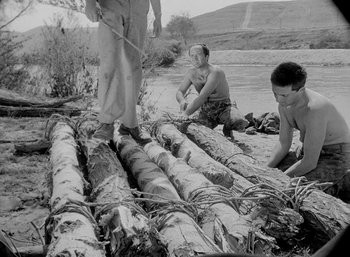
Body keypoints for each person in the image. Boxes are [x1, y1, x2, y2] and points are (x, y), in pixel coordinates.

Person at [266, 62, 350, 202]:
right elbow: (283, 143)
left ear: (301, 90)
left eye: (284, 95)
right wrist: (265, 171)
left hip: (337, 155)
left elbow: (310, 162)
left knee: (294, 189)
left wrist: (278, 183)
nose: (278, 99)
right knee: (275, 170)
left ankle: (341, 184)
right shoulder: (284, 104)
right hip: (309, 151)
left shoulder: (315, 109)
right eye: (275, 93)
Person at [84, 0, 162, 143]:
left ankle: (129, 123)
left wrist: (158, 15)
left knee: (133, 66)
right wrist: (90, 3)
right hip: (111, 6)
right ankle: (106, 122)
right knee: (111, 61)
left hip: (139, 9)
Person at [176, 43, 248, 138]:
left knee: (238, 121)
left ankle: (227, 129)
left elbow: (202, 96)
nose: (195, 58)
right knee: (193, 128)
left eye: (198, 55)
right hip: (206, 110)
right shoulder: (190, 73)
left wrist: (185, 113)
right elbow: (180, 91)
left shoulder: (215, 71)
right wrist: (182, 101)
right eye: (192, 55)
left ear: (206, 57)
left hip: (224, 107)